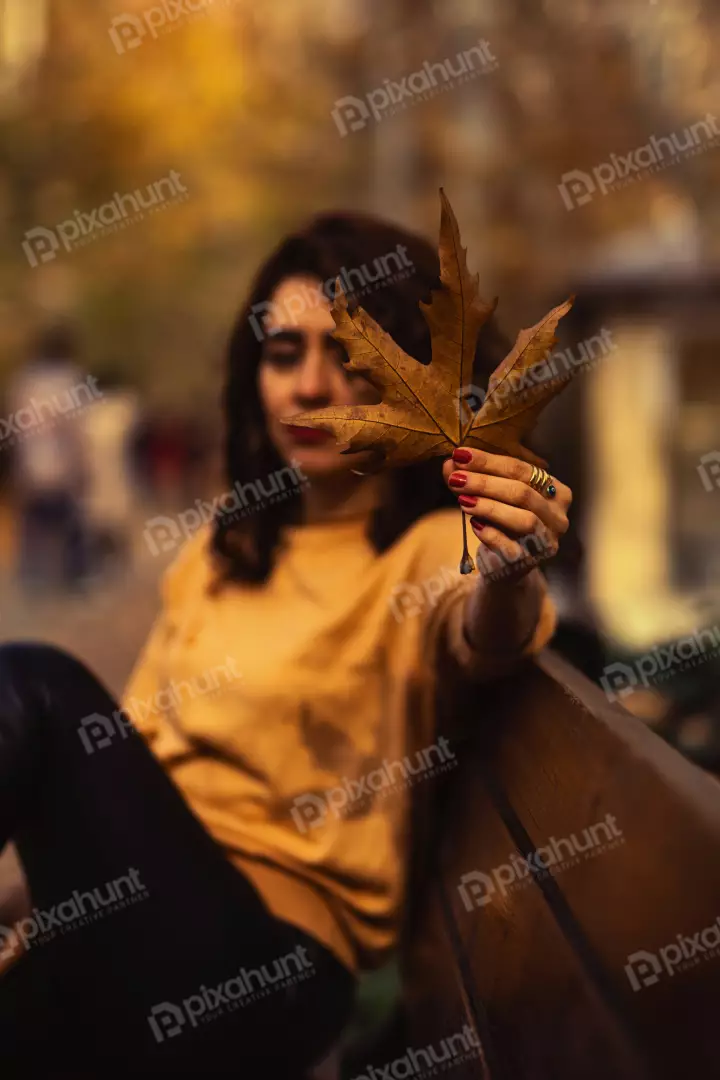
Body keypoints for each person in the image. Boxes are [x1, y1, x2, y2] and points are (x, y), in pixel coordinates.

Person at [0, 211, 572, 1075]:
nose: (309, 386)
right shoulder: (223, 546)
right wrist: (35, 896)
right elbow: (131, 754)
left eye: (347, 357)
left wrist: (507, 567)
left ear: (409, 373)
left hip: (263, 973)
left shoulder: (423, 550)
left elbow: (487, 633)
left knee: (35, 685)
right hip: (133, 932)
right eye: (281, 355)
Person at [6, 324, 94, 590]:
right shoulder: (70, 379)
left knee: (34, 526)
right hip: (62, 465)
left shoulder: (24, 381)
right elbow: (77, 430)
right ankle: (72, 577)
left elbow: (14, 426)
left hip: (31, 464)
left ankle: (31, 577)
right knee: (71, 524)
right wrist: (82, 464)